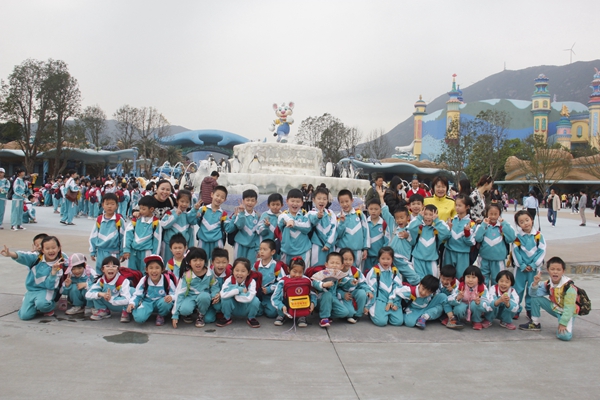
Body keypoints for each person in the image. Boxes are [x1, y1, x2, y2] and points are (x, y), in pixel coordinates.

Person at [1, 236, 66, 320]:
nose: (51, 251)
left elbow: (50, 286)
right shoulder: (36, 258)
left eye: (53, 248)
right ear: (42, 250)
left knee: (42, 304)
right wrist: (10, 254)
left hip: (47, 290)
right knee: (24, 316)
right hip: (32, 290)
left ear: (59, 248)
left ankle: (48, 306)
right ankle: (32, 303)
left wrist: (53, 273)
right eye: (47, 248)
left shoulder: (60, 264)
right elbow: (23, 256)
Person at [519, 257, 577, 341]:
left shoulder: (569, 287)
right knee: (536, 298)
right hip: (555, 308)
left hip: (568, 312)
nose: (555, 272)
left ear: (563, 271)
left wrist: (563, 323)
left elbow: (569, 308)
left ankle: (563, 325)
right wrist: (535, 284)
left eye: (558, 269)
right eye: (552, 269)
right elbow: (533, 294)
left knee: (565, 336)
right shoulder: (548, 283)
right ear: (548, 270)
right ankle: (535, 323)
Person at [512, 210, 546, 320]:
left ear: (532, 219)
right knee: (518, 289)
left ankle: (530, 309)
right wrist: (521, 265)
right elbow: (515, 251)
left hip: (534, 269)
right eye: (521, 222)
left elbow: (542, 251)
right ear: (518, 224)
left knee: (532, 289)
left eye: (527, 220)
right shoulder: (517, 237)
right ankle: (515, 308)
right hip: (520, 269)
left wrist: (533, 265)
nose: (525, 223)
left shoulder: (538, 236)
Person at [127, 255, 176, 326]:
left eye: (157, 268)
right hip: (147, 303)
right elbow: (137, 295)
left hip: (161, 303)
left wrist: (171, 297)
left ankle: (161, 315)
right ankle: (138, 310)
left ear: (162, 269)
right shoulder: (144, 280)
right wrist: (132, 303)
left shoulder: (167, 281)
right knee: (139, 318)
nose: (154, 271)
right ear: (146, 270)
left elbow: (175, 294)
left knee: (166, 303)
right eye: (151, 268)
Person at [475, 203, 516, 286]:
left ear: (499, 214)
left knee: (498, 280)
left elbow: (511, 238)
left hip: (499, 260)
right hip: (484, 259)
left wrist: (504, 224)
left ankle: (496, 294)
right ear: (486, 213)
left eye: (495, 214)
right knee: (483, 280)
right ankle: (484, 294)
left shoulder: (503, 226)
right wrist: (483, 225)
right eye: (491, 214)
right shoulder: (482, 225)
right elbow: (478, 238)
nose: (493, 216)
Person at [407, 204, 451, 279]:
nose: (427, 217)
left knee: (432, 281)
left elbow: (447, 233)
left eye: (431, 215)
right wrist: (419, 217)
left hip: (432, 260)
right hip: (417, 259)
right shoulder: (419, 226)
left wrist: (437, 221)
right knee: (418, 281)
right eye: (425, 214)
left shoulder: (437, 229)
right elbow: (410, 227)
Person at [217, 257, 261, 328]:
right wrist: (238, 290)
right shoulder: (229, 280)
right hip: (233, 308)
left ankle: (251, 317)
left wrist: (234, 294)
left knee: (256, 300)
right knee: (225, 299)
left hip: (245, 307)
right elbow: (223, 294)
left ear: (248, 272)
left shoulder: (251, 281)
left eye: (243, 271)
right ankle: (227, 317)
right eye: (237, 270)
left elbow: (250, 297)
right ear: (233, 271)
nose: (239, 273)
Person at [271, 257, 315, 328]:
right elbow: (274, 298)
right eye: (294, 272)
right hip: (285, 307)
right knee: (281, 296)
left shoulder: (307, 281)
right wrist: (281, 306)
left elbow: (313, 294)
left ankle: (301, 316)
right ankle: (282, 315)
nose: (297, 275)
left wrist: (313, 303)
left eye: (300, 272)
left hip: (301, 305)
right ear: (289, 269)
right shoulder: (283, 281)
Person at [365, 247, 404, 327]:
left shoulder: (395, 271)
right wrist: (368, 306)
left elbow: (398, 288)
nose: (385, 261)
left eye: (388, 259)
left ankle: (386, 314)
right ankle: (375, 313)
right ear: (378, 259)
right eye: (383, 258)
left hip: (392, 300)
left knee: (398, 322)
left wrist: (393, 302)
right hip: (379, 299)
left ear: (392, 259)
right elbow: (371, 289)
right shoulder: (374, 271)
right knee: (381, 322)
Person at [89, 193, 126, 274]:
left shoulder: (119, 220)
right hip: (101, 252)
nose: (109, 206)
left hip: (114, 252)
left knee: (112, 273)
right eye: (107, 204)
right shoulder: (99, 220)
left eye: (112, 204)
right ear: (103, 205)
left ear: (117, 206)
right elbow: (93, 236)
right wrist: (92, 251)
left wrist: (122, 252)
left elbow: (123, 238)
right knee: (100, 271)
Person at [311, 252, 350, 328]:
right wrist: (323, 285)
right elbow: (314, 283)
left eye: (337, 263)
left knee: (344, 312)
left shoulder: (339, 275)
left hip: (333, 298)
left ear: (342, 266)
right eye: (332, 263)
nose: (334, 265)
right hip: (321, 298)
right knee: (327, 294)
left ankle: (327, 314)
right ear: (326, 264)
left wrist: (352, 282)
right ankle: (324, 318)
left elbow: (344, 283)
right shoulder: (322, 273)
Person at [123, 196, 162, 271]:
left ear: (151, 209)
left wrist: (154, 256)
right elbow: (128, 235)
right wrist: (126, 250)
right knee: (132, 272)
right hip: (133, 252)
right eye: (140, 208)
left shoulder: (156, 223)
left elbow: (157, 241)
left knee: (145, 272)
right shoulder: (136, 220)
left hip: (147, 252)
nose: (141, 211)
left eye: (143, 209)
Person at [194, 185, 232, 262]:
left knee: (217, 263)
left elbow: (228, 228)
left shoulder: (223, 214)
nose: (219, 198)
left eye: (222, 197)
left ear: (225, 200)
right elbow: (194, 220)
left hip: (217, 242)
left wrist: (236, 218)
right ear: (212, 195)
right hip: (203, 241)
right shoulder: (203, 209)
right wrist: (194, 211)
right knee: (201, 262)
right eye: (217, 195)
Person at [336, 189, 369, 271]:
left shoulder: (360, 215)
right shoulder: (338, 217)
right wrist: (342, 223)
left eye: (347, 201)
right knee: (342, 271)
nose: (345, 204)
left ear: (352, 200)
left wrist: (365, 249)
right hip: (342, 251)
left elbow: (366, 232)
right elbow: (338, 235)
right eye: (342, 202)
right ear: (339, 203)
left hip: (357, 251)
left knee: (356, 272)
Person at [443, 194, 476, 278]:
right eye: (456, 205)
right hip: (449, 252)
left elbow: (471, 243)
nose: (457, 207)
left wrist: (467, 234)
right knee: (447, 276)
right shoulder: (451, 220)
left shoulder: (471, 223)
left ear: (467, 207)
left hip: (463, 254)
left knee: (461, 276)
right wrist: (448, 230)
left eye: (460, 205)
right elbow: (445, 238)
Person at [278, 188, 313, 265]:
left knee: (303, 271)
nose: (295, 204)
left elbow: (307, 228)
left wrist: (293, 223)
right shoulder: (283, 215)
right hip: (287, 252)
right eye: (292, 201)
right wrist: (289, 220)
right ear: (287, 201)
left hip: (303, 251)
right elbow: (281, 220)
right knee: (286, 271)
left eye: (298, 201)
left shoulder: (305, 215)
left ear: (302, 203)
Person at [253, 239, 286, 319]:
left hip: (270, 295)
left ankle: (267, 307)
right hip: (258, 294)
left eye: (265, 249)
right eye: (260, 249)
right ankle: (260, 307)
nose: (261, 252)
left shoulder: (276, 267)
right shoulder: (256, 265)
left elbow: (282, 282)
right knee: (255, 311)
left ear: (273, 252)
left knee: (272, 313)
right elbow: (250, 278)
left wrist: (269, 289)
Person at [160, 189, 196, 261]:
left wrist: (191, 249)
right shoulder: (170, 213)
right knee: (168, 264)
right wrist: (176, 215)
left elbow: (191, 234)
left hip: (183, 248)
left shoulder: (188, 216)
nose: (184, 204)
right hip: (169, 246)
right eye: (182, 201)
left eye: (187, 202)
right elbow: (164, 225)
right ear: (177, 201)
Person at [454, 265, 492, 330]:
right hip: (464, 304)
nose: (470, 280)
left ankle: (476, 320)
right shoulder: (460, 286)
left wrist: (479, 302)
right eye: (468, 277)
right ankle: (458, 319)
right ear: (464, 277)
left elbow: (487, 301)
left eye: (473, 277)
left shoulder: (482, 288)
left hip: (475, 307)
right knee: (458, 308)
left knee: (475, 304)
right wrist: (458, 298)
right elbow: (451, 297)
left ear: (478, 279)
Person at [338, 248, 371, 323]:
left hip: (353, 292)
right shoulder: (337, 272)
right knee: (349, 313)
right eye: (345, 259)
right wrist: (343, 294)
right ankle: (349, 314)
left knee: (362, 293)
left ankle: (358, 315)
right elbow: (335, 288)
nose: (348, 262)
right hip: (342, 294)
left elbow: (363, 283)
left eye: (350, 259)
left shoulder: (355, 271)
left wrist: (368, 290)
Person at [307, 187, 337, 266]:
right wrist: (318, 217)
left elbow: (334, 228)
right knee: (316, 267)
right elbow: (312, 220)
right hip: (317, 246)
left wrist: (328, 243)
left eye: (324, 199)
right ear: (313, 200)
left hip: (330, 247)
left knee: (331, 267)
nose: (322, 201)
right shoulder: (311, 213)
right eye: (319, 198)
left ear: (327, 200)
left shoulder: (331, 213)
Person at [232, 189, 260, 261]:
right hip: (240, 244)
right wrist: (241, 213)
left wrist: (258, 248)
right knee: (238, 264)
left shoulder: (258, 216)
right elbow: (239, 226)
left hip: (252, 246)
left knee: (251, 265)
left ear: (256, 202)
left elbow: (258, 234)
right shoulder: (239, 214)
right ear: (243, 201)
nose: (250, 203)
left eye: (252, 200)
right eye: (247, 200)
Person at [364, 198, 389, 274]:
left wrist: (384, 253)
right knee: (367, 273)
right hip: (367, 256)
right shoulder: (365, 223)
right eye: (371, 209)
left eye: (376, 209)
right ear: (367, 209)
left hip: (379, 256)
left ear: (380, 210)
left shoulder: (384, 224)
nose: (373, 211)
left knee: (378, 274)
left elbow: (387, 240)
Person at [437, 265, 464, 329]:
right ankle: (450, 319)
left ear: (453, 278)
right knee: (443, 298)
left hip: (451, 303)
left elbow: (457, 296)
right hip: (439, 303)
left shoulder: (456, 283)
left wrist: (452, 291)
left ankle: (449, 319)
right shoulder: (437, 282)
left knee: (457, 306)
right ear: (440, 275)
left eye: (448, 280)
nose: (445, 281)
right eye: (443, 278)